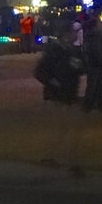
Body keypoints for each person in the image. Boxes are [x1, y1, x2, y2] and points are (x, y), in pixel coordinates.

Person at [36, 24, 86, 174]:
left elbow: (80, 68)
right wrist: (53, 82)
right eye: (75, 32)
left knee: (67, 129)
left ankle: (58, 158)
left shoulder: (73, 50)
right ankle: (69, 162)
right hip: (57, 96)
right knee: (65, 129)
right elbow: (40, 72)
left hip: (69, 95)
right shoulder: (55, 50)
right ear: (68, 33)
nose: (77, 35)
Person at [81, 14, 102, 113]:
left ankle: (101, 105)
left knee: (99, 85)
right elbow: (96, 51)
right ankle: (89, 106)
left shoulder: (90, 36)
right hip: (95, 64)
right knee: (93, 86)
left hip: (93, 63)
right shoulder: (95, 36)